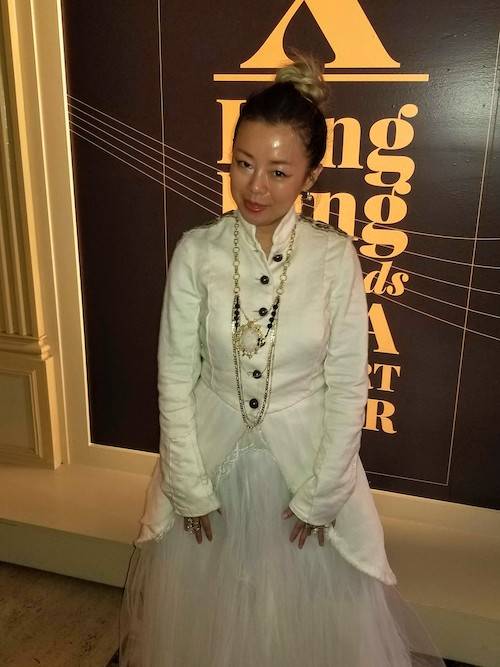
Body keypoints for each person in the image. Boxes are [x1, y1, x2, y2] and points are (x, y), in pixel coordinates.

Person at [120, 55, 445, 667]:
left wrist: (325, 494)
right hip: (209, 467)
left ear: (310, 176)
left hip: (305, 469)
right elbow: (175, 376)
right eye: (243, 163)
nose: (255, 187)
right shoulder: (196, 252)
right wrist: (187, 485)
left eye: (277, 171)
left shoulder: (334, 257)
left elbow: (348, 384)